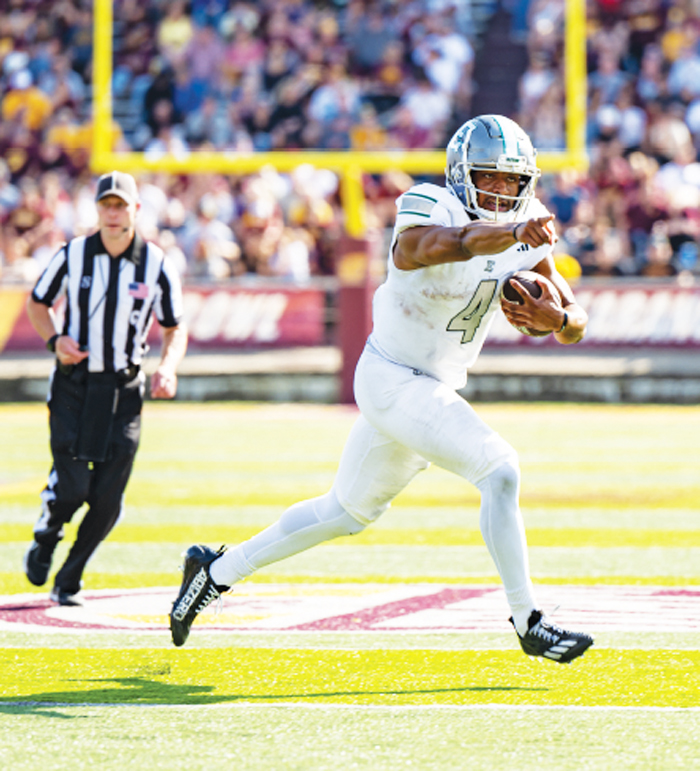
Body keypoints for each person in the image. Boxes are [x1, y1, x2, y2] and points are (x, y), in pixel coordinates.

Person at [169, 115, 594, 663]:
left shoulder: (526, 223)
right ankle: (528, 620)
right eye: (488, 176)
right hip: (391, 376)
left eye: (512, 180)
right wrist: (513, 234)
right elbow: (438, 246)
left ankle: (213, 572)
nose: (500, 189)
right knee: (500, 469)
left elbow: (575, 316)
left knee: (344, 512)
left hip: (432, 387)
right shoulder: (430, 204)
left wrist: (559, 319)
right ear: (461, 175)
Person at [23, 171, 188, 606]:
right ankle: (47, 531)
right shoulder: (72, 254)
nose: (113, 213)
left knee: (108, 499)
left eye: (121, 205)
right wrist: (55, 340)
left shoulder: (156, 264)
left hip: (125, 389)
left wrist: (168, 367)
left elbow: (174, 326)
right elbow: (38, 303)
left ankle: (69, 579)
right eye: (106, 205)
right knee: (74, 487)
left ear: (136, 209)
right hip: (75, 385)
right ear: (97, 209)